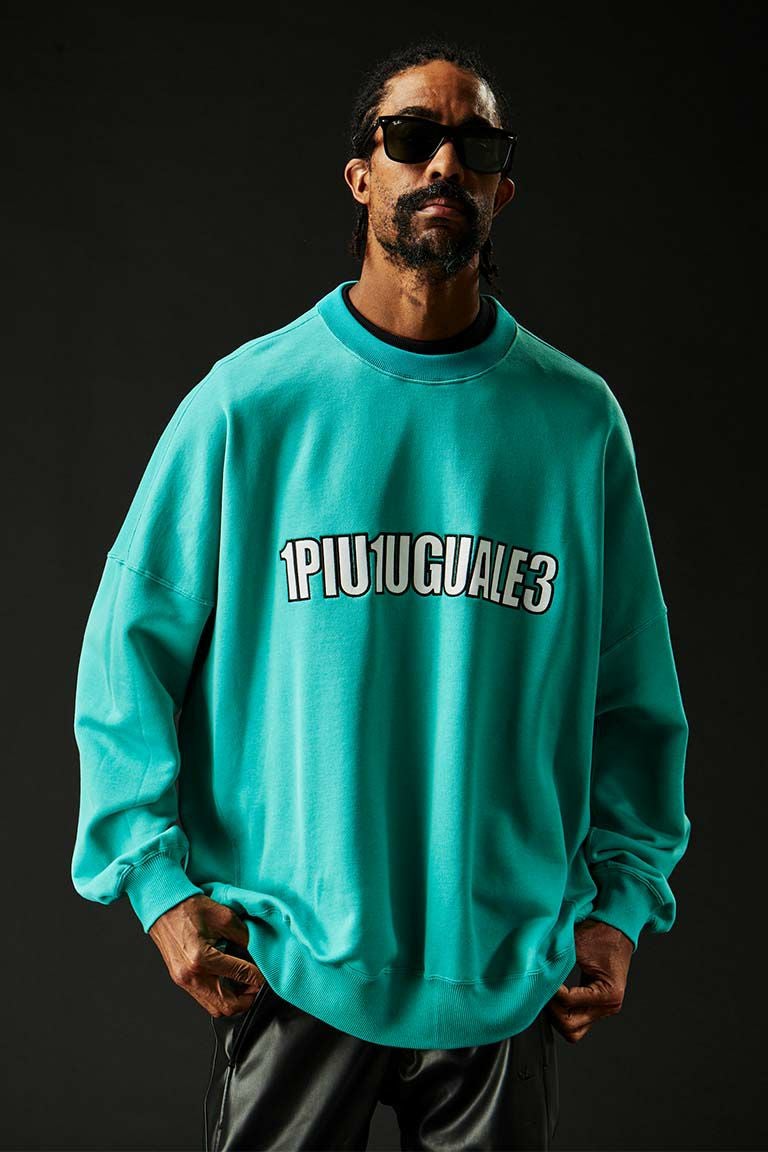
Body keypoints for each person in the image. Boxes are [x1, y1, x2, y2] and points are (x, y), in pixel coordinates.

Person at [71, 36, 691, 1152]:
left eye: (476, 145)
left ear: (502, 189)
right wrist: (155, 885)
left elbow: (635, 696)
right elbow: (128, 655)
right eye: (412, 136)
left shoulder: (577, 424)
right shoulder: (248, 406)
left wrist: (621, 905)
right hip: (294, 962)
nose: (444, 162)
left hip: (507, 967)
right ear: (362, 174)